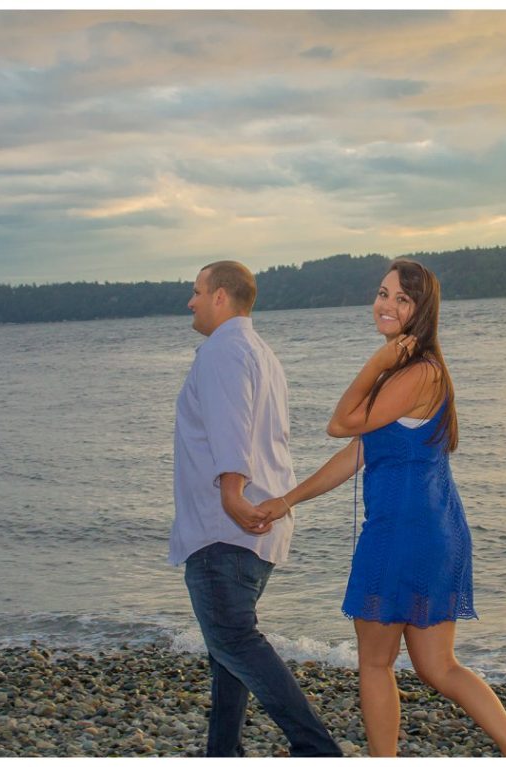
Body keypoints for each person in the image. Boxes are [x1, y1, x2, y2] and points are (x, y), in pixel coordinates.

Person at [255, 259, 506, 757]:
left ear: (421, 310)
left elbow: (341, 424)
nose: (386, 304)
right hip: (435, 529)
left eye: (402, 298)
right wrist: (286, 501)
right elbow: (359, 452)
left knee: (378, 664)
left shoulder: (415, 372)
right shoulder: (419, 372)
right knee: (438, 667)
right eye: (383, 293)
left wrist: (377, 363)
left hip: (401, 533)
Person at [168, 261, 341, 758]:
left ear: (221, 296)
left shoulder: (223, 351)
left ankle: (317, 749)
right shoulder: (260, 352)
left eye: (196, 291)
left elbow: (232, 429)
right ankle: (222, 752)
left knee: (235, 642)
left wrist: (230, 495)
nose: (191, 301)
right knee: (227, 652)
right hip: (254, 531)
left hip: (225, 527)